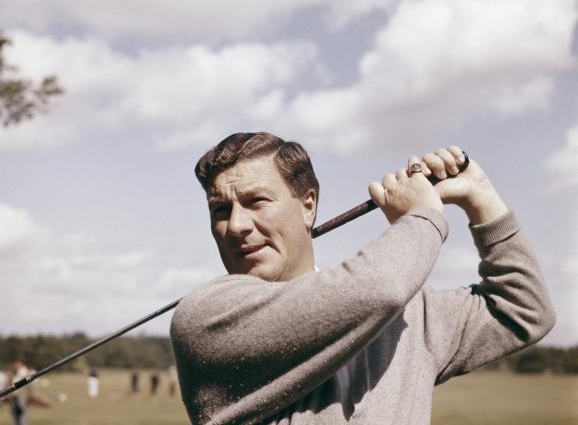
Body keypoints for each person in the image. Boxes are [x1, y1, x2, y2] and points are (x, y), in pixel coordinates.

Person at [170, 132, 556, 425]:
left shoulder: (411, 317)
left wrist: (482, 198)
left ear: (308, 206)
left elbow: (523, 309)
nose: (236, 225)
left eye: (256, 201)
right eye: (221, 210)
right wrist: (421, 216)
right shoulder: (205, 318)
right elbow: (376, 290)